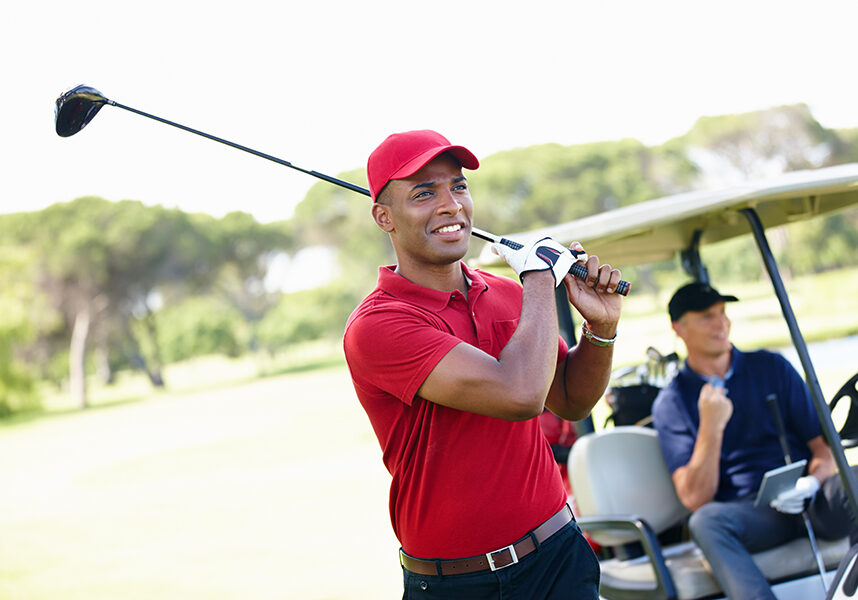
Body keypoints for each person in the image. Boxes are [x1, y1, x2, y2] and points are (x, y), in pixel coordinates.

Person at [343, 129, 623, 599]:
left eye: (458, 186)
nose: (451, 205)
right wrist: (540, 277)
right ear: (384, 217)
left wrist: (601, 328)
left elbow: (572, 400)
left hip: (557, 556)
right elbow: (520, 395)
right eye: (424, 193)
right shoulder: (378, 325)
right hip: (458, 582)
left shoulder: (510, 295)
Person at [651, 281, 858, 600]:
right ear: (679, 328)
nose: (721, 324)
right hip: (751, 514)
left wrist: (812, 483)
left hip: (810, 497)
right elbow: (695, 498)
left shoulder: (772, 366)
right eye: (707, 317)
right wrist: (711, 427)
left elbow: (823, 449)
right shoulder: (672, 402)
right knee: (705, 522)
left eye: (722, 313)